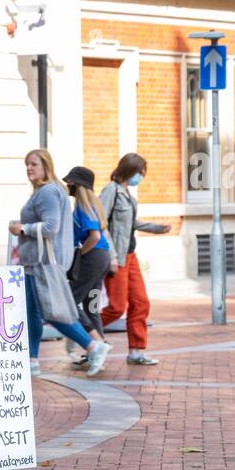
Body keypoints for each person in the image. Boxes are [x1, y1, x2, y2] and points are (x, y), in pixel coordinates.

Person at [9, 149, 111, 377]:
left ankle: (93, 346)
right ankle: (32, 360)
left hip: (44, 262)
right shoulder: (45, 192)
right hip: (35, 262)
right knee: (33, 313)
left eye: (34, 164)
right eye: (27, 164)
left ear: (46, 166)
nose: (29, 168)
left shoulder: (48, 192)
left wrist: (22, 228)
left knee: (51, 312)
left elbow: (50, 228)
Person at [98, 153, 172, 366]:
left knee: (141, 302)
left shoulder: (128, 195)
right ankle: (84, 335)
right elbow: (100, 224)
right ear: (129, 170)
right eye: (140, 172)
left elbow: (132, 223)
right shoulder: (110, 191)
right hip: (117, 258)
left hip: (130, 256)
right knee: (116, 307)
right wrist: (111, 255)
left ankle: (136, 352)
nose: (141, 177)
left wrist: (156, 229)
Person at [62, 166, 113, 367]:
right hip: (102, 259)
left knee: (69, 302)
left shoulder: (83, 207)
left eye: (70, 182)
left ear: (78, 185)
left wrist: (80, 254)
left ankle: (96, 344)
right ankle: (98, 353)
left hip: (92, 260)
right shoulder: (93, 205)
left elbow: (94, 236)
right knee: (91, 307)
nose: (68, 185)